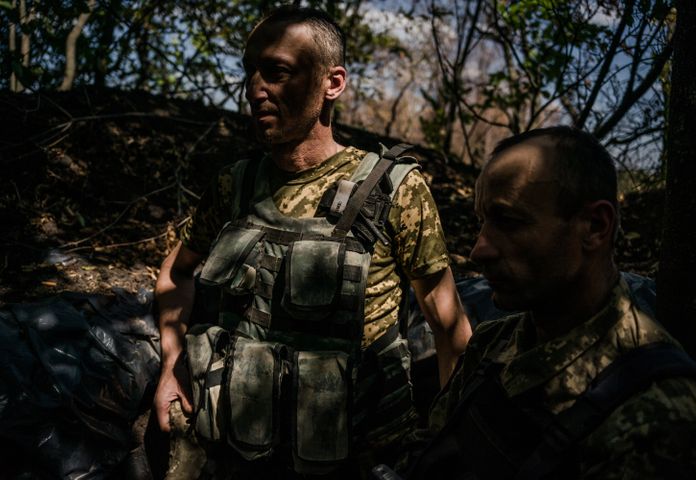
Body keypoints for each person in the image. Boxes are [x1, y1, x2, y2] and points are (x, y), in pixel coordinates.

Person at [152, 6, 472, 479]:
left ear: (333, 83)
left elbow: (448, 329)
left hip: (363, 459)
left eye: (278, 72)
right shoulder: (234, 187)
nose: (256, 88)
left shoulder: (394, 190)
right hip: (238, 453)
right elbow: (175, 273)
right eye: (251, 72)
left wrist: (450, 447)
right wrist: (172, 364)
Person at [402, 126, 696, 479]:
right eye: (482, 222)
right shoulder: (493, 343)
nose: (479, 249)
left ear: (595, 227)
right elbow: (434, 447)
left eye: (508, 221)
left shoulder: (669, 415)